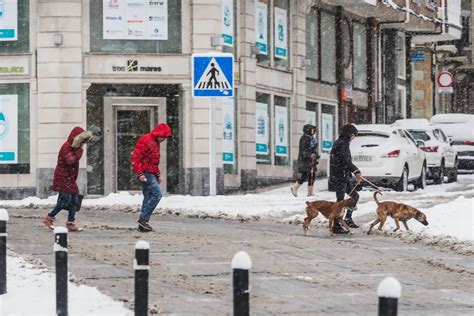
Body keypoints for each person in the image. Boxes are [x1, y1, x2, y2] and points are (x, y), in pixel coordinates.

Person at [43, 127, 92, 231]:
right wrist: (80, 151)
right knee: (64, 201)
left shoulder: (74, 148)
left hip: (70, 179)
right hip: (63, 178)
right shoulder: (66, 147)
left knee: (74, 200)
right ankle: (49, 218)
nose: (82, 144)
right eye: (82, 141)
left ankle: (70, 222)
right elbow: (71, 160)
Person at [131, 123, 172, 232]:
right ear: (158, 134)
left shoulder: (155, 142)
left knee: (149, 196)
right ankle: (143, 220)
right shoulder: (146, 140)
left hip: (150, 173)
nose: (164, 139)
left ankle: (143, 223)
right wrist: (140, 173)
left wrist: (157, 174)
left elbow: (152, 162)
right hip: (146, 173)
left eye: (165, 138)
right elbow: (136, 158)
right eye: (163, 137)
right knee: (157, 194)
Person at [328, 123, 363, 234]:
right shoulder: (342, 144)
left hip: (344, 176)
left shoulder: (342, 143)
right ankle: (336, 226)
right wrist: (356, 171)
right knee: (340, 202)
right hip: (340, 176)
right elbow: (346, 161)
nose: (353, 138)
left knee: (354, 196)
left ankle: (348, 218)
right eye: (353, 135)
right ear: (348, 134)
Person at [291, 124, 320, 197]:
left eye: (314, 130)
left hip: (311, 160)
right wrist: (310, 155)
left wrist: (316, 155)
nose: (313, 131)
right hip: (305, 161)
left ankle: (310, 192)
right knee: (305, 175)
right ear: (308, 130)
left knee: (312, 175)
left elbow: (313, 149)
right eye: (312, 130)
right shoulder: (304, 138)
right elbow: (303, 150)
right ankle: (295, 187)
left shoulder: (312, 138)